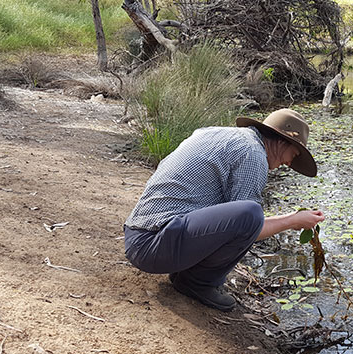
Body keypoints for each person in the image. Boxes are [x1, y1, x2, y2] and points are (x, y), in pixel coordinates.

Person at [123, 109, 325, 311]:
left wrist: (292, 217)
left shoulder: (219, 134)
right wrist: (291, 222)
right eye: (294, 154)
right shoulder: (253, 154)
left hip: (141, 235)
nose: (289, 163)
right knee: (252, 213)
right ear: (282, 141)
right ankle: (197, 282)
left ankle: (188, 274)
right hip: (152, 247)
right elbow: (250, 225)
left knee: (249, 213)